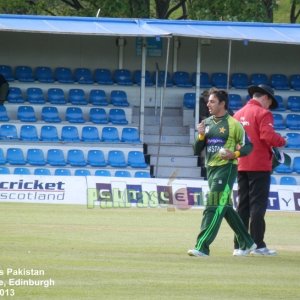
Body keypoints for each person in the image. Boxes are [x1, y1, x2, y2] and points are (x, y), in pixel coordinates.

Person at [188, 89, 256, 257]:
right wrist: (201, 135)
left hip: (226, 169)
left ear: (222, 104)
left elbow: (249, 146)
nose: (208, 104)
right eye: (208, 101)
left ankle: (202, 246)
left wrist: (235, 154)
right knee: (225, 208)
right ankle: (247, 242)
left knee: (212, 206)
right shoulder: (207, 123)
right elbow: (196, 149)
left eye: (212, 101)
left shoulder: (234, 124)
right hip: (211, 170)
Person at [233, 84, 286, 256]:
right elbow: (267, 136)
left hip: (241, 164)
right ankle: (258, 245)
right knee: (257, 206)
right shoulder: (264, 113)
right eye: (270, 102)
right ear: (265, 98)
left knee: (243, 206)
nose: (269, 106)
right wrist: (281, 141)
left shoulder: (237, 114)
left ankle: (240, 246)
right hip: (259, 165)